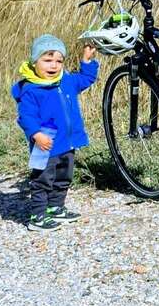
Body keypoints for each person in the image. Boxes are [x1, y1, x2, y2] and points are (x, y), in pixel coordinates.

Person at [12, 33, 99, 230]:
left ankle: (55, 208)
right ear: (35, 62)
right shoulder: (31, 89)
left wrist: (86, 61)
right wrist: (36, 134)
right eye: (47, 60)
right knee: (42, 179)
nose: (53, 65)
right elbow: (26, 116)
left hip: (66, 142)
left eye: (59, 60)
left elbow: (86, 79)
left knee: (63, 178)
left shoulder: (66, 81)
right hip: (45, 143)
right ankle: (38, 217)